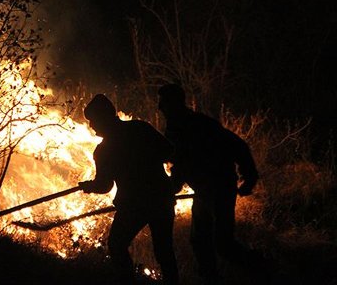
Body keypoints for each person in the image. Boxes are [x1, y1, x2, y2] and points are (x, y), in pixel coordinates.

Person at [157, 83, 260, 283]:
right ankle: (210, 278)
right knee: (199, 240)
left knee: (223, 244)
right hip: (203, 191)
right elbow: (181, 164)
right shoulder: (174, 128)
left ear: (175, 103)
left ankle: (262, 269)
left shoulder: (201, 124)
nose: (159, 107)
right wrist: (170, 187)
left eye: (163, 102)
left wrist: (249, 176)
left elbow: (236, 145)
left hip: (220, 187)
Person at [78, 94, 179, 285]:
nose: (92, 126)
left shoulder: (104, 150)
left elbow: (104, 186)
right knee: (164, 250)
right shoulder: (139, 127)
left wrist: (90, 186)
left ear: (104, 117)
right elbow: (168, 150)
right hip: (161, 199)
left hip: (134, 205)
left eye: (93, 120)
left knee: (117, 245)